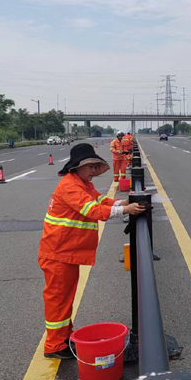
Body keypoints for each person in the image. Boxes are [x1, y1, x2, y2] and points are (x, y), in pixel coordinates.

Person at [38, 143, 146, 359]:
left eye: (96, 167)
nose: (94, 171)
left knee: (65, 299)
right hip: (58, 253)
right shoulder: (70, 187)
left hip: (65, 252)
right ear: (76, 166)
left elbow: (101, 200)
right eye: (90, 166)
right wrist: (125, 209)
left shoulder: (82, 184)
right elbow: (93, 210)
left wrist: (123, 201)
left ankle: (63, 338)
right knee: (58, 300)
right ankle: (55, 345)